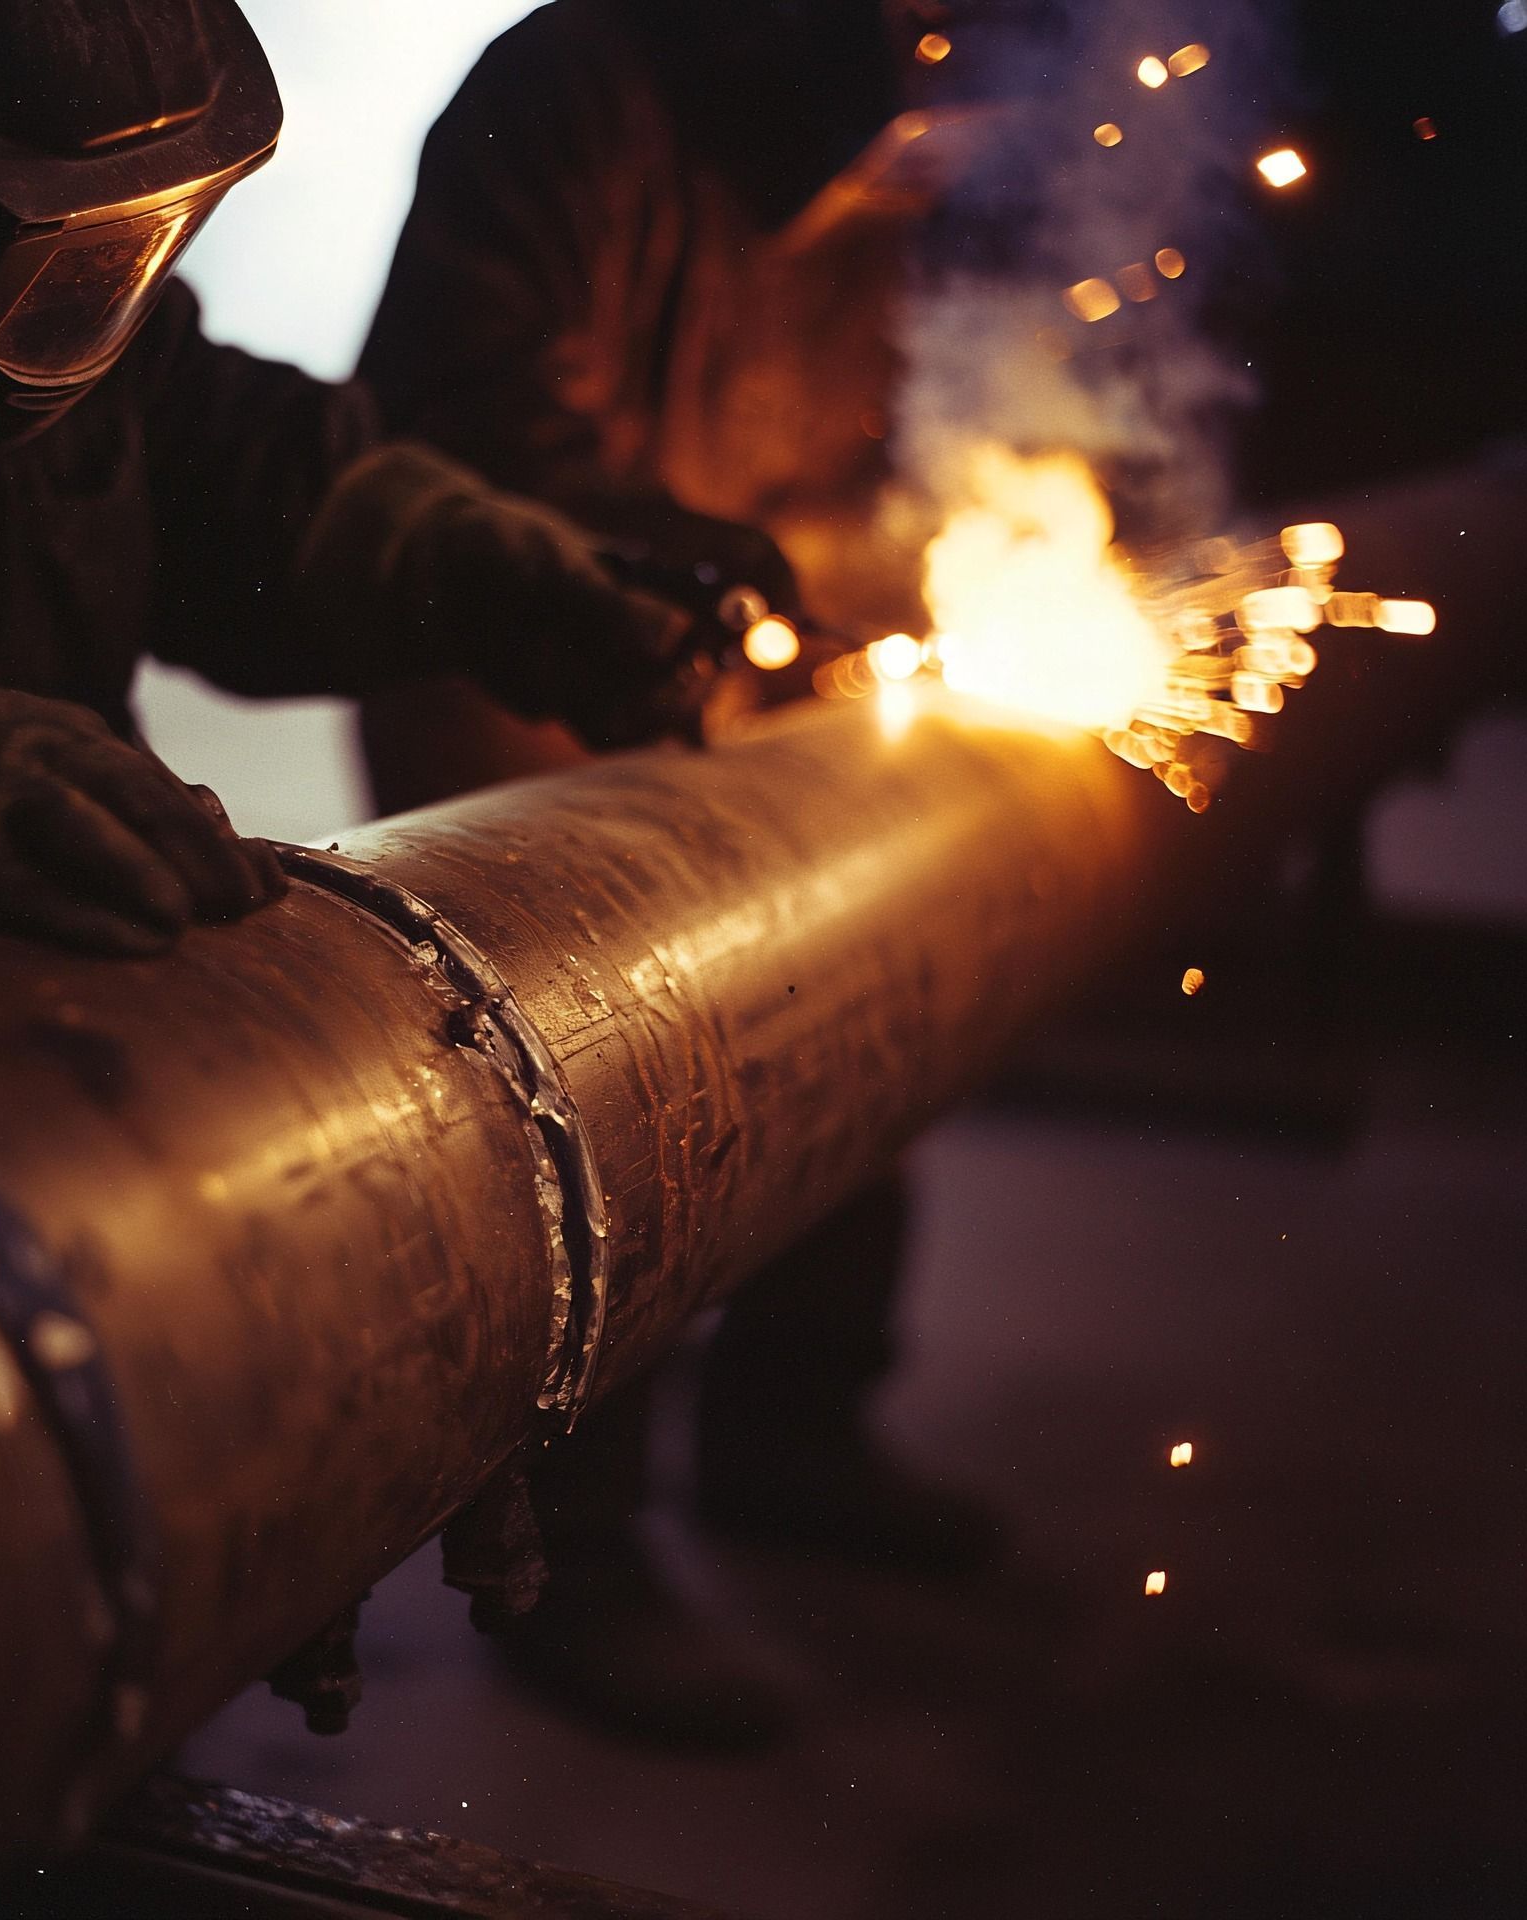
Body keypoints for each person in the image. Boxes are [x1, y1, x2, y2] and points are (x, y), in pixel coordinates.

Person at [356, 0, 1005, 1751]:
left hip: (755, 650)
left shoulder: (889, 141)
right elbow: (479, 432)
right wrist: (750, 574)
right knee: (617, 1096)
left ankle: (792, 1441)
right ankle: (574, 1561)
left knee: (865, 981)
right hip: (513, 663)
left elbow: (869, 412)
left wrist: (935, 547)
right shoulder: (570, 92)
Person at [0, 0, 714, 988]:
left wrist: (464, 557)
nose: (94, 300)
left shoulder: (55, 329)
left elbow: (221, 453)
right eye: (69, 256)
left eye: (131, 250)